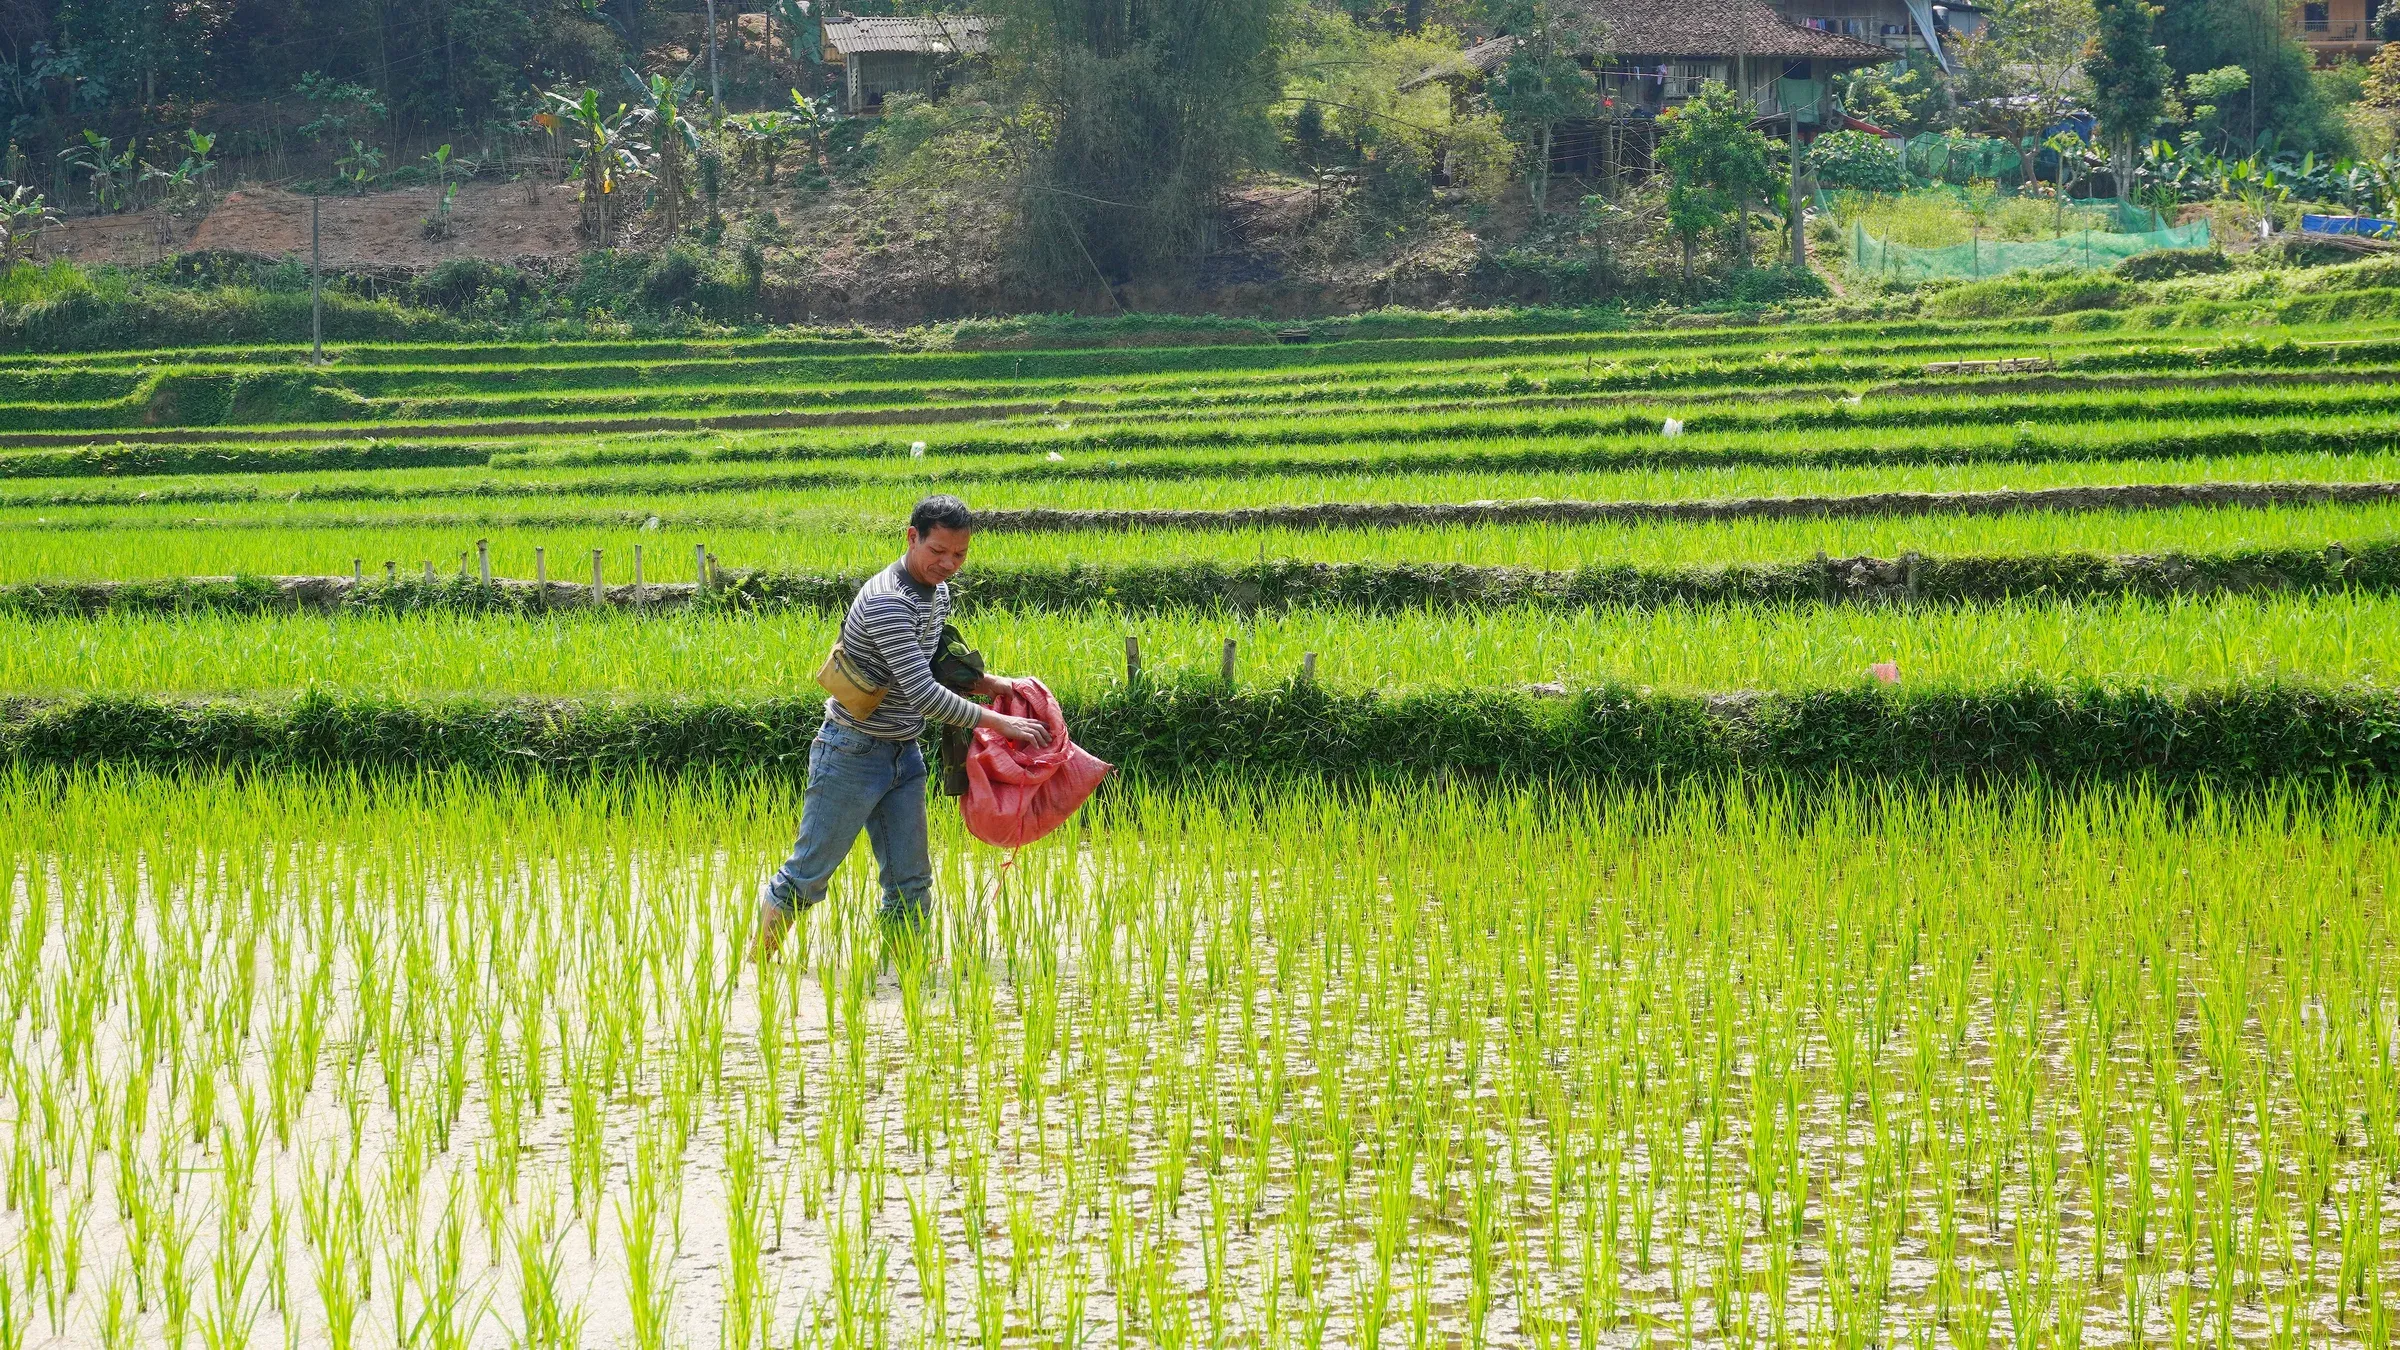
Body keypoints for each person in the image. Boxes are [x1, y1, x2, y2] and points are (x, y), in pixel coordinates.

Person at [756, 494, 1050, 959]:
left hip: (903, 755)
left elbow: (932, 661)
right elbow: (922, 693)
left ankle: (904, 978)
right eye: (938, 552)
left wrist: (996, 683)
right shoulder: (888, 602)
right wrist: (1001, 722)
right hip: (851, 752)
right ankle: (755, 971)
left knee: (910, 880)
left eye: (959, 555)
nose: (948, 564)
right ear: (912, 538)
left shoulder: (939, 594)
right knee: (806, 875)